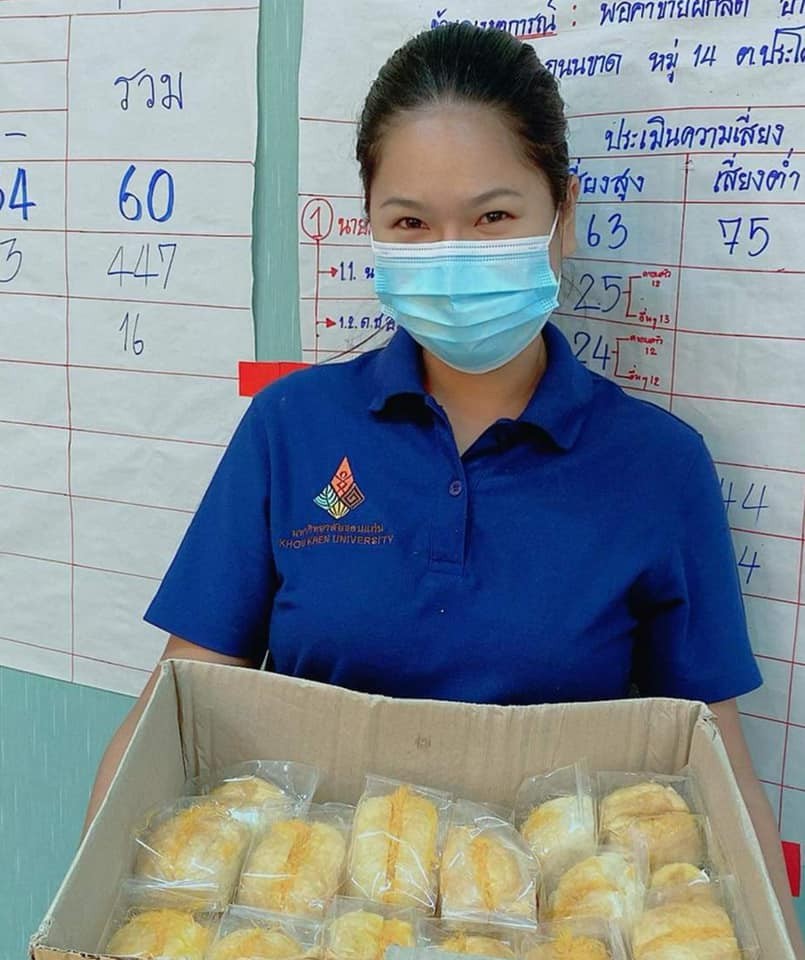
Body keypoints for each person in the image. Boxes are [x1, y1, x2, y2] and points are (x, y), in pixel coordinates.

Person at [83, 23, 803, 953]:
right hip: (300, 923)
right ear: (371, 227)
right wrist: (92, 909)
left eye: (493, 217)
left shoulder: (658, 467)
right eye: (411, 224)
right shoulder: (293, 429)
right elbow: (177, 704)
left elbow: (714, 764)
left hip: (547, 929)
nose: (452, 255)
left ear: (563, 214)